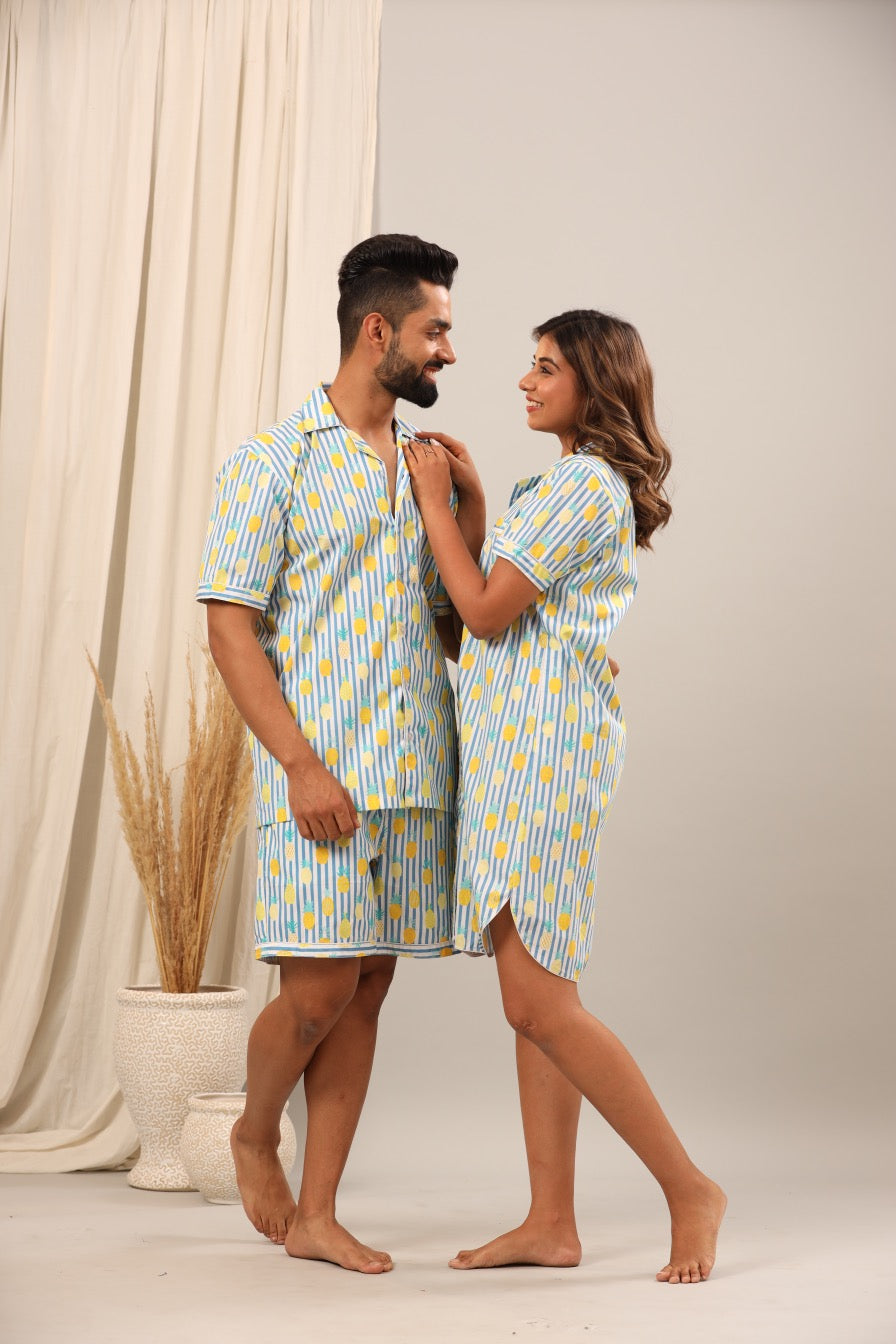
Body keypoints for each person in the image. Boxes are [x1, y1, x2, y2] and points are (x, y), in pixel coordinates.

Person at [404, 309, 726, 1285]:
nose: (522, 383)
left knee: (538, 1001)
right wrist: (469, 506)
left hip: (539, 762)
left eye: (544, 368)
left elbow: (485, 612)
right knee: (534, 999)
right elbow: (504, 614)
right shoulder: (568, 485)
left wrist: (432, 502)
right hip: (524, 751)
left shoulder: (581, 485)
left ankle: (687, 1189)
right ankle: (550, 1220)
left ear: (593, 382)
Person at [196, 234, 485, 1273]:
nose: (448, 350)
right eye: (435, 329)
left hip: (415, 776)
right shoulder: (269, 463)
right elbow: (231, 627)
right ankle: (249, 1130)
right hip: (318, 776)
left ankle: (317, 1215)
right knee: (315, 992)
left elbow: (458, 622)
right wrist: (299, 766)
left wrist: (469, 507)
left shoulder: (427, 468)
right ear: (378, 331)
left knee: (364, 989)